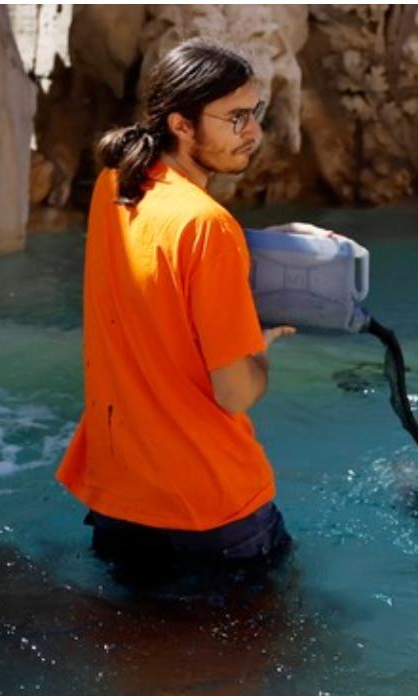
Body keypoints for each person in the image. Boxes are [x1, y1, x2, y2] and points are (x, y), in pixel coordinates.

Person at [55, 40, 295, 577]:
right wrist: (258, 348)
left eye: (254, 113)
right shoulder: (208, 225)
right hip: (213, 509)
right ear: (182, 124)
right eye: (235, 118)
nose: (253, 132)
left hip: (123, 495)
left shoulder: (116, 185)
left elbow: (152, 305)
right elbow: (235, 391)